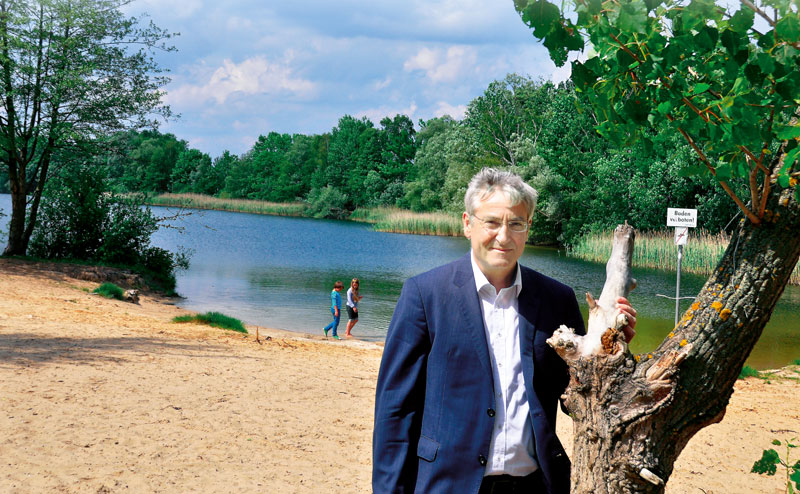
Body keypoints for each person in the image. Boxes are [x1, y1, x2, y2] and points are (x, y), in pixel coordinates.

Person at [372, 168, 636, 494]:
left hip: (535, 486)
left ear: (528, 229)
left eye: (516, 224)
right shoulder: (424, 294)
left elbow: (576, 396)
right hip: (446, 484)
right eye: (492, 222)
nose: (504, 236)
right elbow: (396, 409)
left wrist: (609, 346)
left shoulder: (557, 299)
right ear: (467, 224)